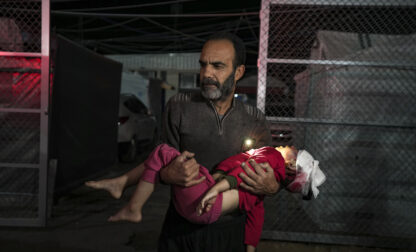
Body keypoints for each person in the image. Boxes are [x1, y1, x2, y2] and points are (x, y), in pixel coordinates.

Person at [86, 32, 278, 252]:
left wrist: (271, 187)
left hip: (229, 231)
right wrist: (169, 175)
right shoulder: (179, 106)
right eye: (203, 65)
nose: (207, 73)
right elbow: (157, 163)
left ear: (238, 72)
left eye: (217, 66)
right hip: (180, 229)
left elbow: (271, 174)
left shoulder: (254, 118)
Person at [103, 144, 315, 252]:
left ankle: (132, 204)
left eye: (293, 149)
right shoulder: (259, 194)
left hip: (202, 200)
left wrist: (215, 188)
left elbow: (241, 172)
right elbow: (255, 222)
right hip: (204, 212)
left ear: (289, 163)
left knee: (161, 152)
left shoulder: (271, 156)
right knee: (165, 158)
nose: (287, 146)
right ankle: (122, 185)